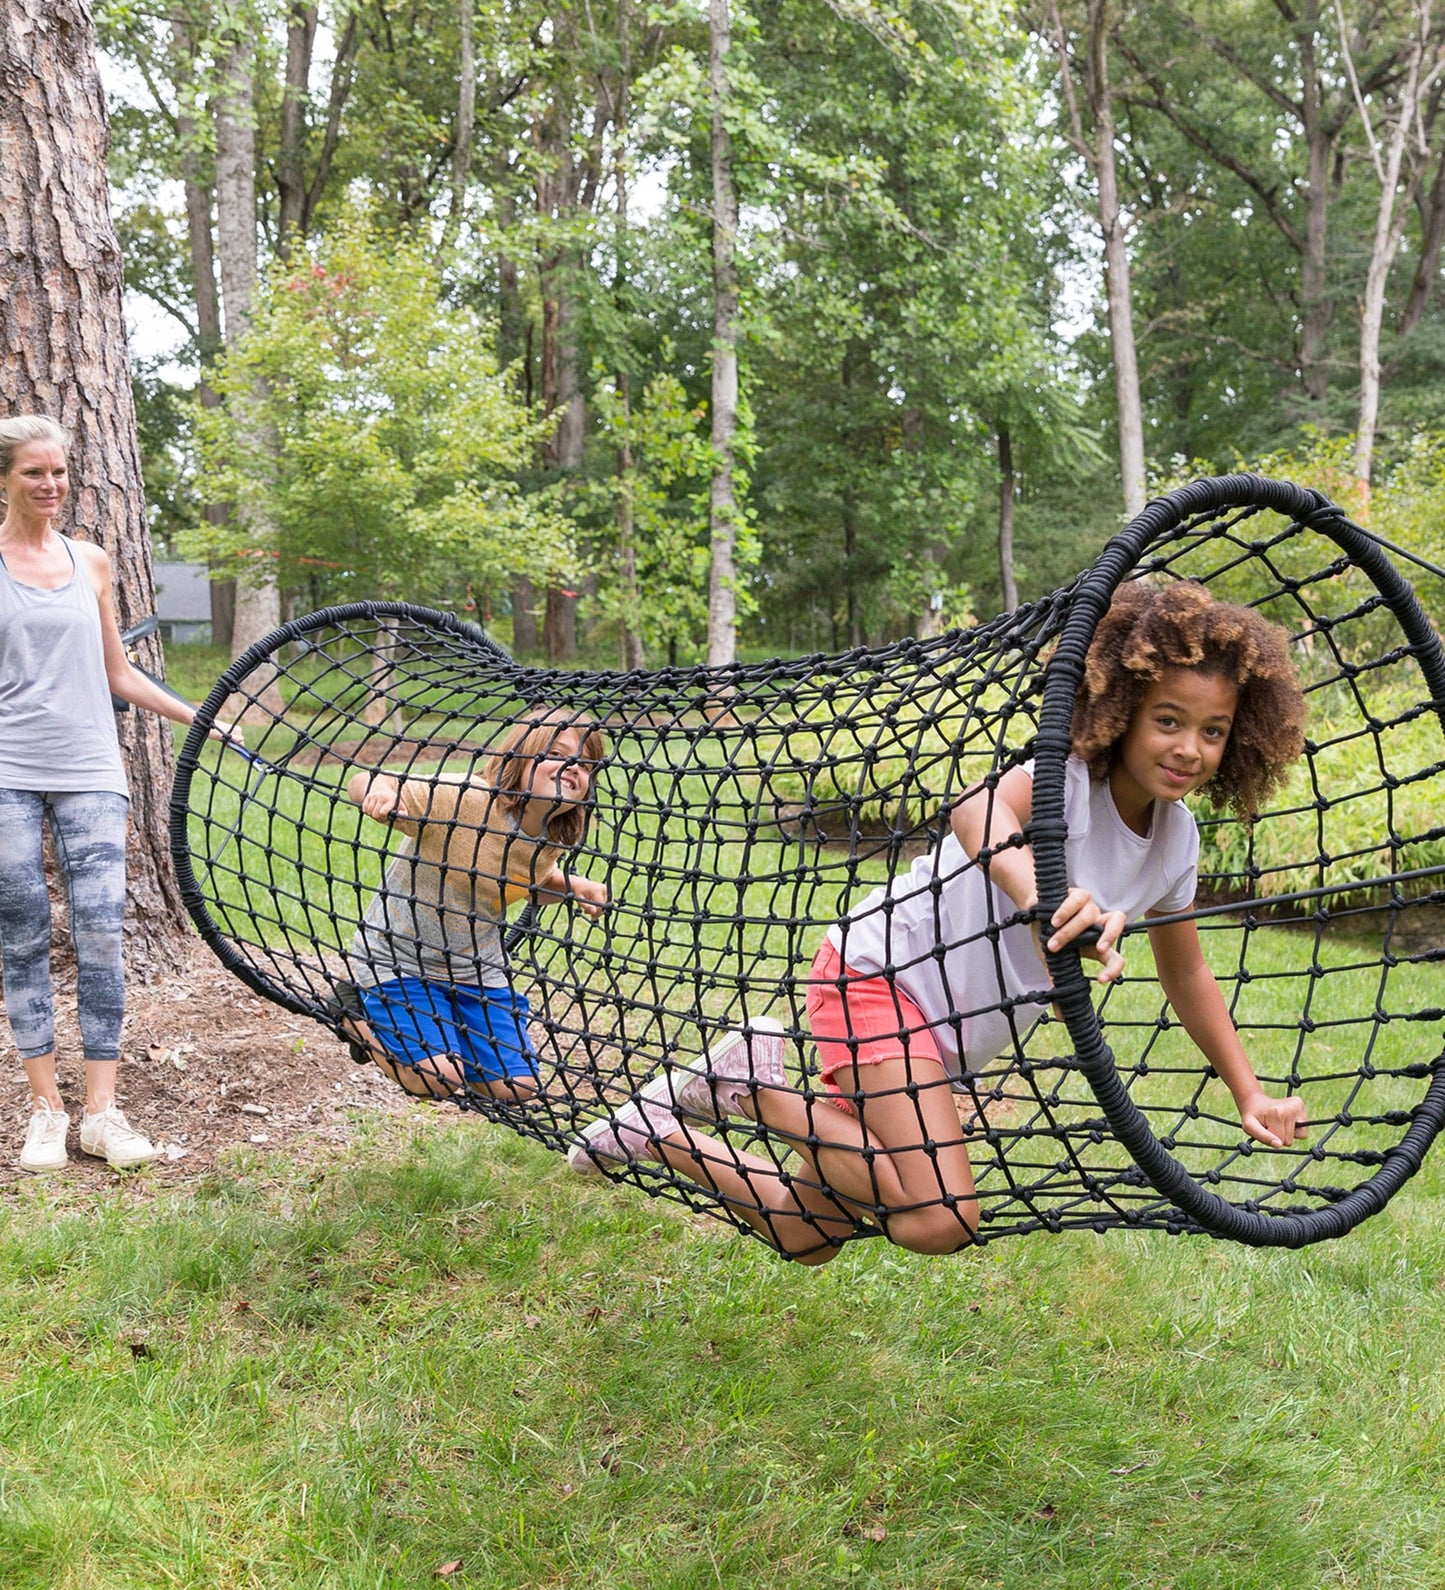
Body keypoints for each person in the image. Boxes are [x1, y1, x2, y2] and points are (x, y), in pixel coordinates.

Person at [568, 580, 1311, 1264]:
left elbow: (1186, 973)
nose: (1188, 747)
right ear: (1121, 713)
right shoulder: (1065, 779)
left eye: (1212, 731)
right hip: (881, 974)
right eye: (1168, 721)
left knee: (808, 1235)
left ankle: (660, 1135)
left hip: (947, 1037)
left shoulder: (1176, 841)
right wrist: (1036, 893)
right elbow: (972, 810)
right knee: (939, 1216)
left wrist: (1247, 1091)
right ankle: (746, 1089)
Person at [0, 415, 228, 1173]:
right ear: (6, 478)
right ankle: (45, 1110)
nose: (51, 485)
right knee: (24, 929)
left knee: (101, 933)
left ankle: (101, 1110)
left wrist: (199, 716)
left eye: (59, 471)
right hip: (7, 770)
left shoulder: (91, 562)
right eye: (35, 472)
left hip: (92, 769)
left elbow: (118, 673)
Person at [342, 708, 609, 1101]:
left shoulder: (553, 835)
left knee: (518, 1087)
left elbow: (518, 883)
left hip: (475, 967)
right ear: (519, 758)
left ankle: (447, 1032)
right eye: (557, 752)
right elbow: (365, 779)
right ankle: (352, 1015)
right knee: (437, 1079)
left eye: (586, 765)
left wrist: (572, 887)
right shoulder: (468, 799)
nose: (573, 767)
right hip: (399, 958)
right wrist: (379, 792)